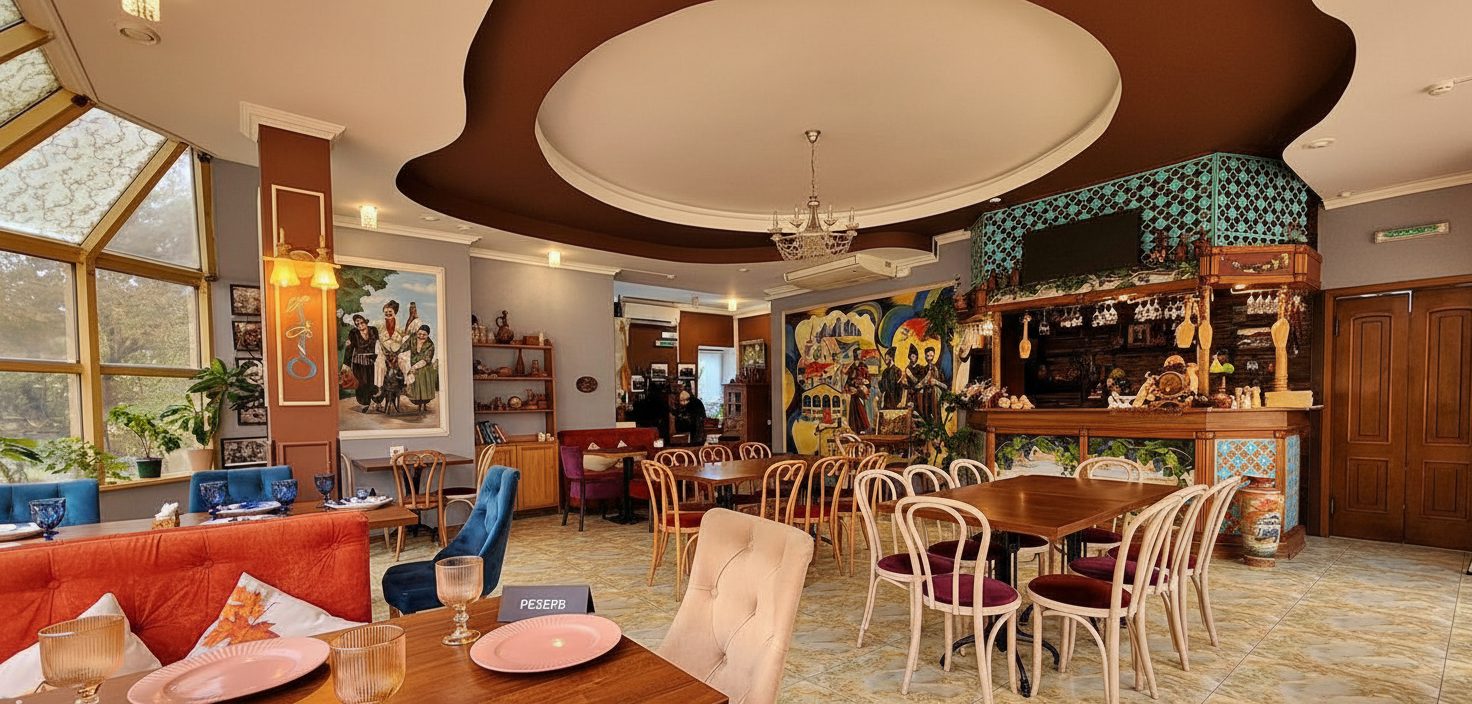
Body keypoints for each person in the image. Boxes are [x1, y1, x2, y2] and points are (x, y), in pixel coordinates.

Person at [374, 300, 409, 411]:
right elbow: (376, 339)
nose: (388, 314)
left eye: (390, 312)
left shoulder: (401, 326)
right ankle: (379, 387)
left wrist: (398, 352)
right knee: (379, 364)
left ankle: (407, 384)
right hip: (384, 351)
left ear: (395, 312)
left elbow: (405, 339)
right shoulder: (379, 325)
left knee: (404, 361)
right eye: (386, 312)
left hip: (397, 351)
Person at [340, 314, 379, 411]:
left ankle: (375, 401)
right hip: (358, 362)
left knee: (373, 382)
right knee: (362, 383)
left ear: (365, 322)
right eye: (357, 324)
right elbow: (349, 348)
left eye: (362, 322)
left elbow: (378, 345)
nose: (360, 325)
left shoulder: (373, 330)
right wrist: (346, 364)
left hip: (373, 361)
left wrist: (381, 358)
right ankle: (364, 403)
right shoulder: (353, 333)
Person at [405, 325, 437, 414]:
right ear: (417, 333)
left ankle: (424, 406)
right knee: (416, 388)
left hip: (425, 369)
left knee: (424, 388)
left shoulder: (430, 345)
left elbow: (426, 359)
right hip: (414, 368)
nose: (421, 336)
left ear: (428, 335)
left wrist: (414, 367)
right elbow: (403, 348)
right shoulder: (412, 339)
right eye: (419, 334)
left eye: (424, 335)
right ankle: (418, 406)